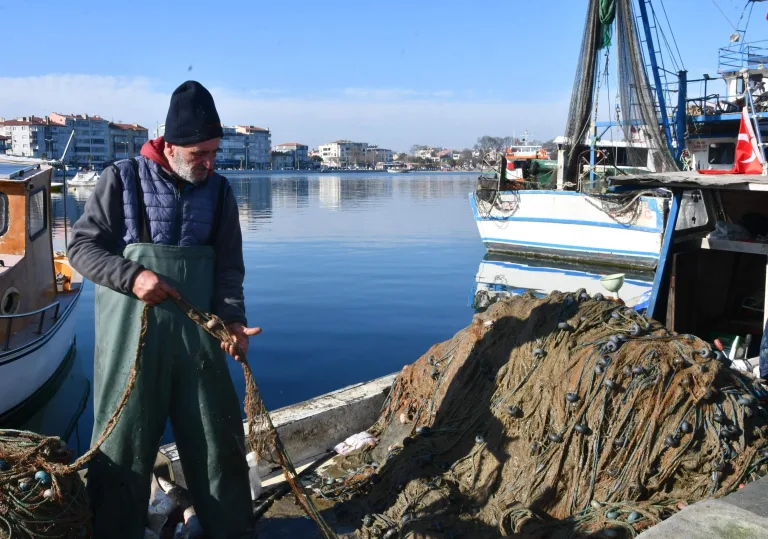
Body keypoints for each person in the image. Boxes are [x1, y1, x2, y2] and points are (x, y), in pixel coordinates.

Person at [67, 80, 260, 539]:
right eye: (200, 154)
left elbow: (229, 269)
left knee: (219, 447)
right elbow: (80, 248)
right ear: (170, 145)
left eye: (215, 151)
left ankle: (230, 531)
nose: (210, 163)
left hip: (200, 344)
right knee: (122, 449)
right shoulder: (121, 179)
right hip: (131, 346)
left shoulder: (221, 194)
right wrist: (133, 277)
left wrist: (232, 319)